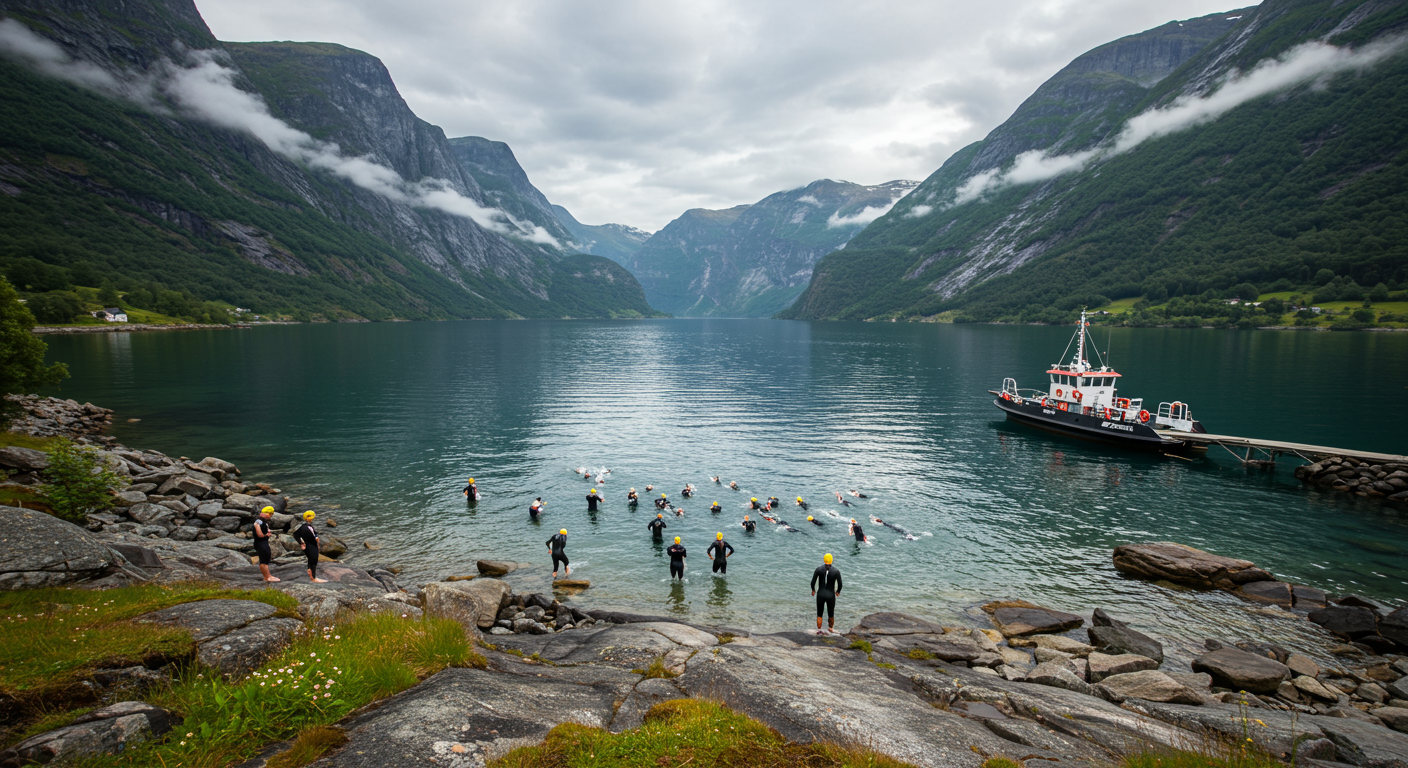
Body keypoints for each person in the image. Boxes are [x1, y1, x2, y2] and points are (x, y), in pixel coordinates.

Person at [810, 553, 843, 634]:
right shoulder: (836, 571)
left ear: (824, 560)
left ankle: (819, 630)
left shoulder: (818, 569)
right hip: (831, 595)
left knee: (819, 613)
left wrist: (813, 590)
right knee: (831, 613)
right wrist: (838, 591)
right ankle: (830, 629)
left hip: (820, 594)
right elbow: (840, 583)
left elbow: (813, 581)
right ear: (831, 560)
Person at [293, 511, 326, 583]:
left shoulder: (309, 526)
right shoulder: (304, 527)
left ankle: (311, 575)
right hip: (309, 545)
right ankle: (313, 578)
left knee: (313, 561)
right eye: (308, 517)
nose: (310, 518)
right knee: (313, 561)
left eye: (310, 516)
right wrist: (301, 543)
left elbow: (315, 534)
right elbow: (295, 535)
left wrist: (316, 539)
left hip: (313, 545)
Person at [253, 506, 279, 582]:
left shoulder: (262, 522)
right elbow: (259, 534)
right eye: (269, 514)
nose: (270, 516)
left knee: (266, 558)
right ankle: (267, 577)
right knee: (264, 560)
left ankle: (268, 575)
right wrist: (266, 534)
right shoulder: (258, 522)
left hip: (263, 542)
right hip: (260, 542)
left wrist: (267, 532)